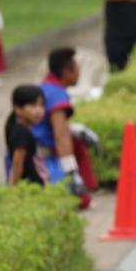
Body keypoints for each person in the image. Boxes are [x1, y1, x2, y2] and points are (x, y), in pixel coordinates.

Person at [38, 47, 99, 209]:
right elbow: (61, 135)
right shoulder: (57, 94)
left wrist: (75, 129)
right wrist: (72, 173)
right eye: (78, 68)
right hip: (43, 159)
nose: (79, 72)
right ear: (66, 71)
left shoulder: (46, 86)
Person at [4, 84, 47, 187]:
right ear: (18, 109)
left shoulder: (21, 128)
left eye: (41, 105)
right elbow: (17, 162)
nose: (39, 110)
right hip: (29, 184)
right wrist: (14, 189)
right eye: (33, 105)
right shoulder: (21, 132)